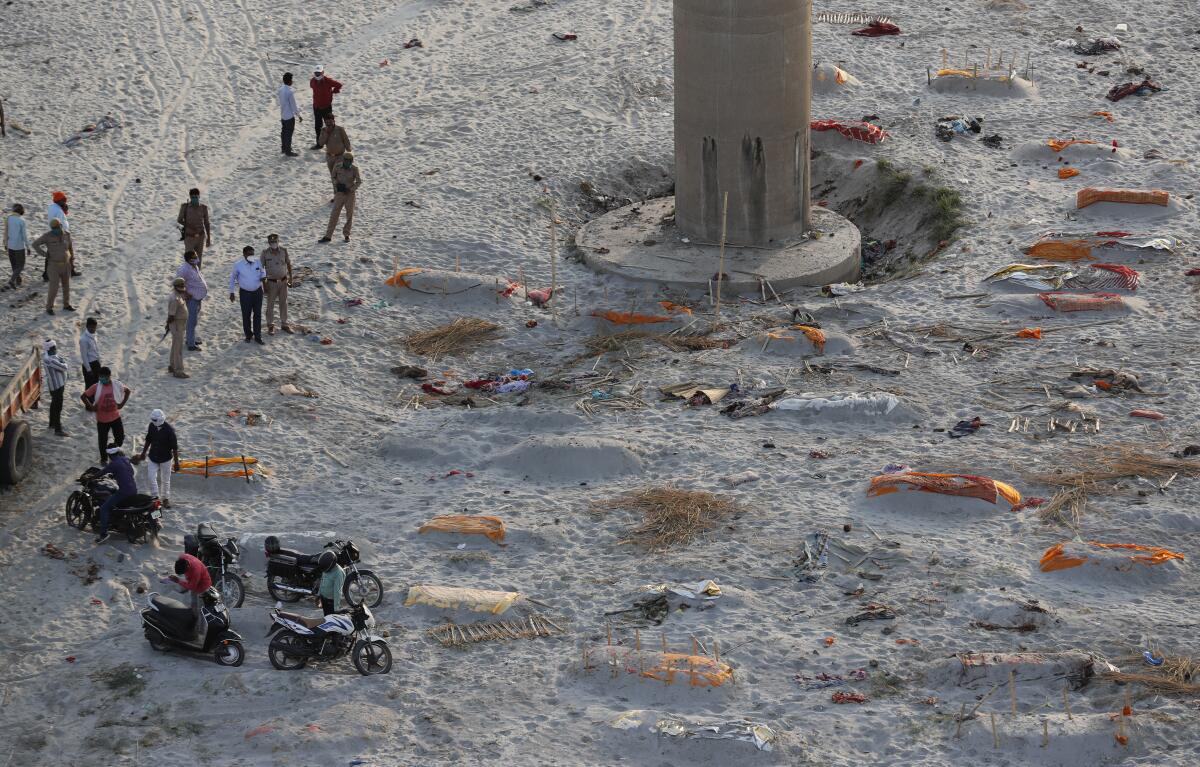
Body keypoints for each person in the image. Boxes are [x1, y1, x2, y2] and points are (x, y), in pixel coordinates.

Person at [81, 366, 131, 463]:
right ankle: (104, 458)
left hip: (115, 417)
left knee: (120, 438)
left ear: (109, 376)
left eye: (103, 377)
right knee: (102, 441)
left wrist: (121, 404)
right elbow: (83, 396)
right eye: (100, 377)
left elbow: (128, 391)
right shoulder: (96, 387)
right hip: (102, 420)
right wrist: (91, 406)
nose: (101, 379)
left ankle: (114, 449)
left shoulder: (116, 385)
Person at [133, 409, 179, 508]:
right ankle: (155, 497)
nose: (153, 421)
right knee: (151, 477)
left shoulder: (170, 431)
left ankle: (165, 498)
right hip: (153, 456)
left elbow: (174, 448)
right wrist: (143, 453)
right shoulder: (151, 426)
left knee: (165, 479)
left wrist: (176, 463)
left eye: (154, 420)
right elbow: (148, 439)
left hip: (166, 458)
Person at [93, 444, 137, 544]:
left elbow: (102, 472)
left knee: (104, 508)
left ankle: (103, 534)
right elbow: (130, 472)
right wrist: (116, 474)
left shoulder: (113, 464)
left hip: (124, 492)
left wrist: (91, 477)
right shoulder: (125, 459)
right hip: (133, 489)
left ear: (109, 455)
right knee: (115, 498)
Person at [32, 219, 75, 315]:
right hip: (54, 266)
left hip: (66, 264)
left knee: (66, 286)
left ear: (60, 225)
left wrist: (72, 261)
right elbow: (35, 244)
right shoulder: (47, 236)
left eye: (57, 227)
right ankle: (49, 307)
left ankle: (66, 305)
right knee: (54, 287)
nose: (56, 229)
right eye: (54, 228)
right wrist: (44, 254)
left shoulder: (66, 234)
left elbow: (70, 248)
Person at [167, 553, 212, 640]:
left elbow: (192, 586)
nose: (184, 574)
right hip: (194, 584)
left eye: (184, 573)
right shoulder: (183, 557)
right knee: (193, 606)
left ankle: (201, 633)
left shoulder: (195, 570)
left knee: (201, 610)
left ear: (187, 568)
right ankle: (194, 625)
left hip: (203, 586)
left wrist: (178, 581)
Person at [320, 153, 362, 243]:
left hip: (349, 194)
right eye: (346, 161)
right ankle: (328, 235)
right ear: (343, 160)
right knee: (334, 214)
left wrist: (351, 189)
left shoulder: (354, 169)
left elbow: (358, 181)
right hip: (339, 194)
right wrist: (337, 184)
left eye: (349, 161)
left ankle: (346, 234)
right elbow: (333, 176)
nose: (348, 163)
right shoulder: (338, 167)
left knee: (349, 215)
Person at [229, 245, 266, 344]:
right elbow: (232, 278)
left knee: (257, 314)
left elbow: (263, 272)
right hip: (245, 293)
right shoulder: (238, 265)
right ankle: (248, 335)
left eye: (252, 254)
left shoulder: (258, 261)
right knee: (246, 315)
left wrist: (263, 277)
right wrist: (231, 292)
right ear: (244, 254)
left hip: (258, 291)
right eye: (249, 254)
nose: (251, 256)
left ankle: (258, 336)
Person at [261, 233, 293, 335]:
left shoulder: (284, 251)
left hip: (283, 281)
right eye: (271, 242)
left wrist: (291, 278)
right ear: (269, 243)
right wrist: (264, 284)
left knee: (283, 303)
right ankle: (270, 325)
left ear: (278, 241)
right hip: (271, 282)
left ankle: (284, 324)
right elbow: (261, 269)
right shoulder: (265, 253)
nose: (273, 244)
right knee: (270, 304)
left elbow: (288, 264)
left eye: (275, 242)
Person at [175, 251, 207, 351]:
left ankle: (191, 339)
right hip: (192, 299)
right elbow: (177, 283)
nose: (197, 258)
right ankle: (191, 344)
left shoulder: (193, 266)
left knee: (194, 320)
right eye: (195, 257)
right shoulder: (184, 269)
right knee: (191, 321)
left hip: (197, 298)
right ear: (189, 259)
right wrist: (185, 294)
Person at [176, 188, 212, 268]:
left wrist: (208, 238)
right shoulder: (185, 207)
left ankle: (197, 276)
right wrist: (189, 226)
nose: (194, 199)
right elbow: (179, 220)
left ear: (199, 196)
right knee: (189, 259)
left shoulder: (203, 208)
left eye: (196, 197)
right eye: (192, 197)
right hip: (189, 237)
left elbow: (206, 223)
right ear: (190, 197)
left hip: (200, 236)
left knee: (198, 260)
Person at [309, 65, 342, 149]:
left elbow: (339, 85)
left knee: (330, 126)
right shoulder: (312, 81)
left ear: (323, 73)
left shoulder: (328, 81)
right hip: (316, 108)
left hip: (327, 107)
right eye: (316, 73)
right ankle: (319, 144)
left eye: (319, 73)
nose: (317, 75)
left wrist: (334, 91)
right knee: (318, 127)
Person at [41, 339, 69, 436]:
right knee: (58, 407)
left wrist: (62, 361)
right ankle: (58, 429)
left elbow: (60, 360)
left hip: (55, 385)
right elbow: (64, 367)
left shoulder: (49, 356)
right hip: (57, 386)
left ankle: (52, 424)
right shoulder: (50, 359)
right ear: (49, 349)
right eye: (53, 348)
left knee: (54, 405)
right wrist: (64, 362)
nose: (55, 349)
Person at [47, 191, 78, 276]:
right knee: (69, 253)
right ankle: (71, 271)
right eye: (63, 200)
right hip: (62, 234)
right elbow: (62, 224)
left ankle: (46, 274)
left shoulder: (51, 207)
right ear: (59, 201)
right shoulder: (59, 211)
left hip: (51, 233)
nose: (65, 202)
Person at [318, 113, 351, 193]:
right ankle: (336, 193)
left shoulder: (340, 130)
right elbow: (320, 143)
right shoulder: (323, 130)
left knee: (339, 175)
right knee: (333, 176)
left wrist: (348, 150)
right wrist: (326, 133)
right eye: (326, 122)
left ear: (333, 121)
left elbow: (346, 140)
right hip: (330, 157)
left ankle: (341, 193)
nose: (328, 124)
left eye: (330, 122)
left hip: (339, 157)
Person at [165, 277, 189, 378]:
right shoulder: (175, 298)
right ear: (176, 287)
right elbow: (171, 315)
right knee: (178, 348)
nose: (182, 287)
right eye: (180, 286)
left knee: (175, 345)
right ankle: (178, 371)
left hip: (179, 323)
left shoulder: (178, 295)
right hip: (177, 324)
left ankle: (172, 365)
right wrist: (168, 325)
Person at [5, 203, 30, 289]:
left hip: (10, 245)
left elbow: (6, 231)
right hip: (19, 246)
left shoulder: (8, 218)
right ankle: (12, 280)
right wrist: (28, 247)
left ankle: (18, 279)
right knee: (21, 265)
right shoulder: (21, 220)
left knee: (14, 264)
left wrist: (5, 243)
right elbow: (24, 235)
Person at [277, 72, 301, 156]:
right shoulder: (290, 92)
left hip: (283, 115)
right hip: (289, 116)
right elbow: (294, 106)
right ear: (290, 81)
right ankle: (288, 151)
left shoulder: (280, 89)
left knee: (283, 132)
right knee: (289, 134)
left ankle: (283, 148)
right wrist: (299, 115)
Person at [315, 550, 345, 615]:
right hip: (324, 599)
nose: (324, 572)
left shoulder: (338, 573)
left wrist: (336, 608)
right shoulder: (326, 569)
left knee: (331, 620)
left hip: (331, 602)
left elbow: (337, 591)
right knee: (326, 616)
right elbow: (322, 581)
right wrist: (318, 595)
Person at [79, 317, 102, 388]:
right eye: (91, 327)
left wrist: (99, 362)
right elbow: (84, 356)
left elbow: (96, 350)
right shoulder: (83, 339)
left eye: (94, 327)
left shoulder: (94, 335)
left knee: (97, 385)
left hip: (96, 363)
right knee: (89, 387)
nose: (93, 329)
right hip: (89, 365)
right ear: (87, 326)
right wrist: (89, 370)